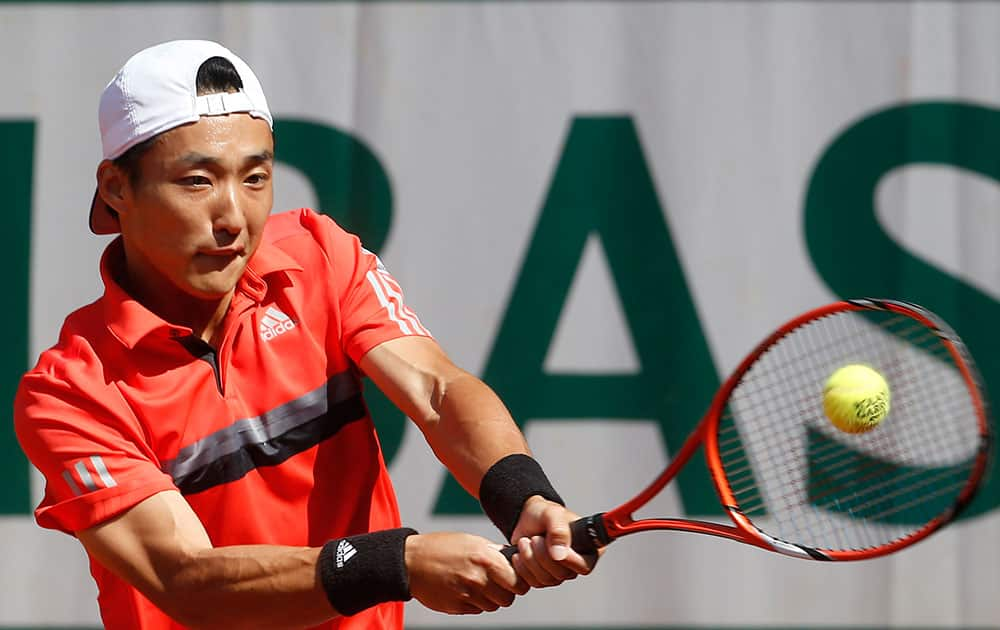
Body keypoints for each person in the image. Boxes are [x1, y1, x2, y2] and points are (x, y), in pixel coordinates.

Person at [14, 39, 592, 629]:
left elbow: (439, 392)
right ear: (116, 187)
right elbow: (184, 577)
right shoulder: (67, 394)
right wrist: (400, 563)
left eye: (256, 177)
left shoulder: (320, 253)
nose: (234, 216)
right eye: (196, 181)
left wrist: (523, 496)